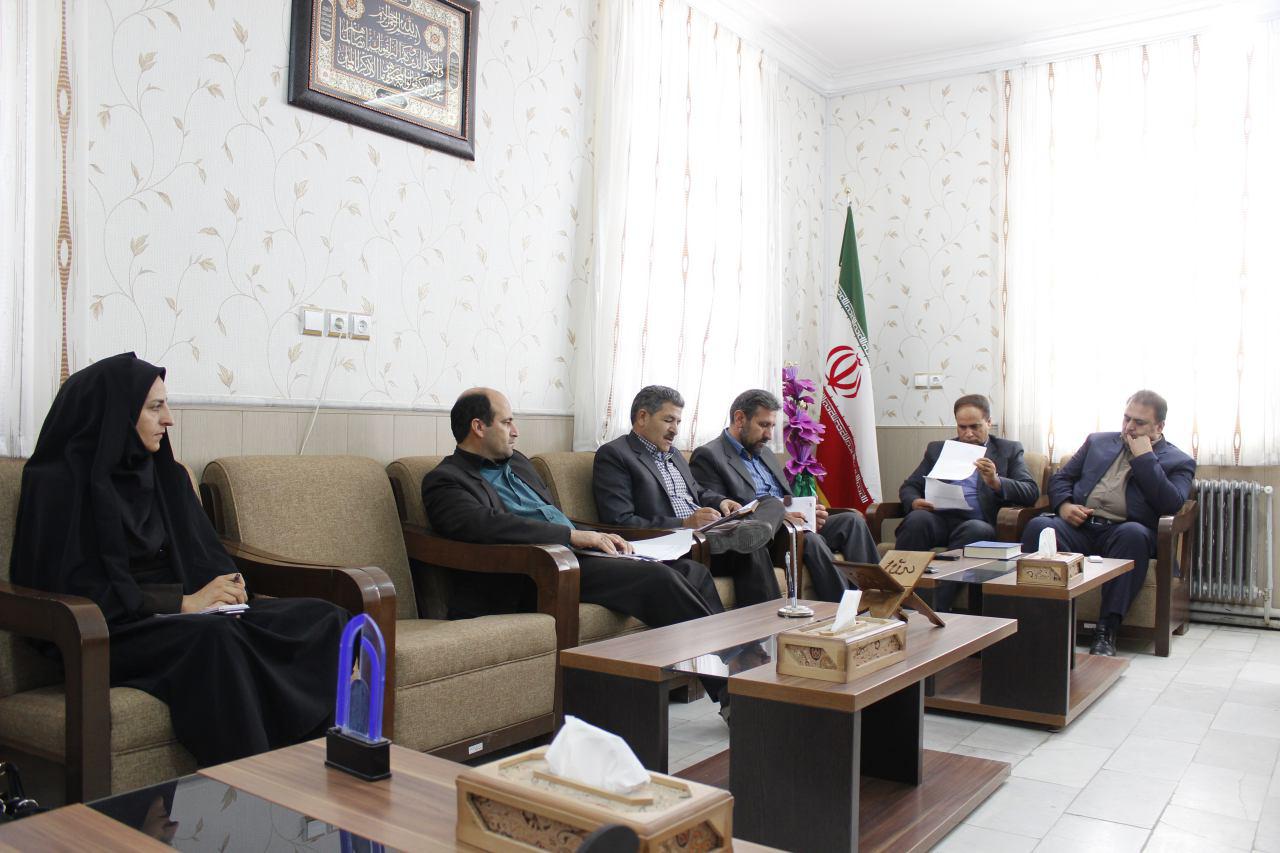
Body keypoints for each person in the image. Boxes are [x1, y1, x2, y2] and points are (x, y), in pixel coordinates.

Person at [9, 353, 347, 767]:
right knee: (215, 640)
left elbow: (201, 551)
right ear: (115, 413)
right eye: (155, 407)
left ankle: (315, 766)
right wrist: (182, 603)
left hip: (184, 617)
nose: (168, 419)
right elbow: (73, 585)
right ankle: (254, 783)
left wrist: (227, 586)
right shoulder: (57, 484)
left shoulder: (163, 473)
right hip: (112, 629)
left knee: (324, 618)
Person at [421, 388, 723, 629]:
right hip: (536, 570)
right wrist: (572, 536)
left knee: (691, 570)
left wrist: (595, 536)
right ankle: (728, 676)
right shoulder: (445, 480)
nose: (515, 431)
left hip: (577, 554)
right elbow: (486, 525)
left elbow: (550, 512)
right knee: (658, 578)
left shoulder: (518, 462)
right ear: (478, 427)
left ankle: (714, 669)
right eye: (507, 422)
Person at [1022, 390, 1195, 656]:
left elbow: (1170, 503)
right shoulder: (1097, 442)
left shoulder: (1179, 460)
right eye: (1127, 418)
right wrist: (1065, 506)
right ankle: (1036, 620)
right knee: (1039, 527)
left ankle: (1106, 631)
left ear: (1159, 427)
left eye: (1139, 422)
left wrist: (1145, 459)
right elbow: (1061, 479)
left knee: (1133, 534)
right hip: (1082, 527)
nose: (1129, 427)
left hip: (1125, 534)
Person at [593, 386, 782, 607]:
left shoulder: (673, 454)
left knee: (768, 507)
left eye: (678, 422)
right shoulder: (615, 455)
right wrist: (684, 524)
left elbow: (697, 492)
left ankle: (765, 625)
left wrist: (721, 501)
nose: (675, 430)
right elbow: (619, 521)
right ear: (642, 417)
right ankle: (743, 535)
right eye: (668, 420)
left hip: (708, 537)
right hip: (677, 543)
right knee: (748, 546)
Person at [690, 389, 879, 602]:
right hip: (765, 536)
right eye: (763, 425)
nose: (769, 435)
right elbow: (723, 513)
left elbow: (785, 497)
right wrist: (781, 516)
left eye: (772, 426)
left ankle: (878, 599)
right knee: (810, 540)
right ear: (740, 419)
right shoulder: (709, 455)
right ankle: (844, 610)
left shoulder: (765, 453)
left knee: (852, 521)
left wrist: (808, 511)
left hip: (793, 524)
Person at [895, 394, 1040, 552]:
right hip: (939, 520)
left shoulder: (1008, 450)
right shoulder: (938, 450)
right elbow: (910, 486)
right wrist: (914, 501)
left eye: (974, 427)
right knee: (917, 519)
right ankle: (903, 569)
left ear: (988, 422)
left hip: (979, 523)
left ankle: (947, 569)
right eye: (962, 427)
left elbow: (1031, 491)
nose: (968, 433)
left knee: (975, 529)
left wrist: (996, 482)